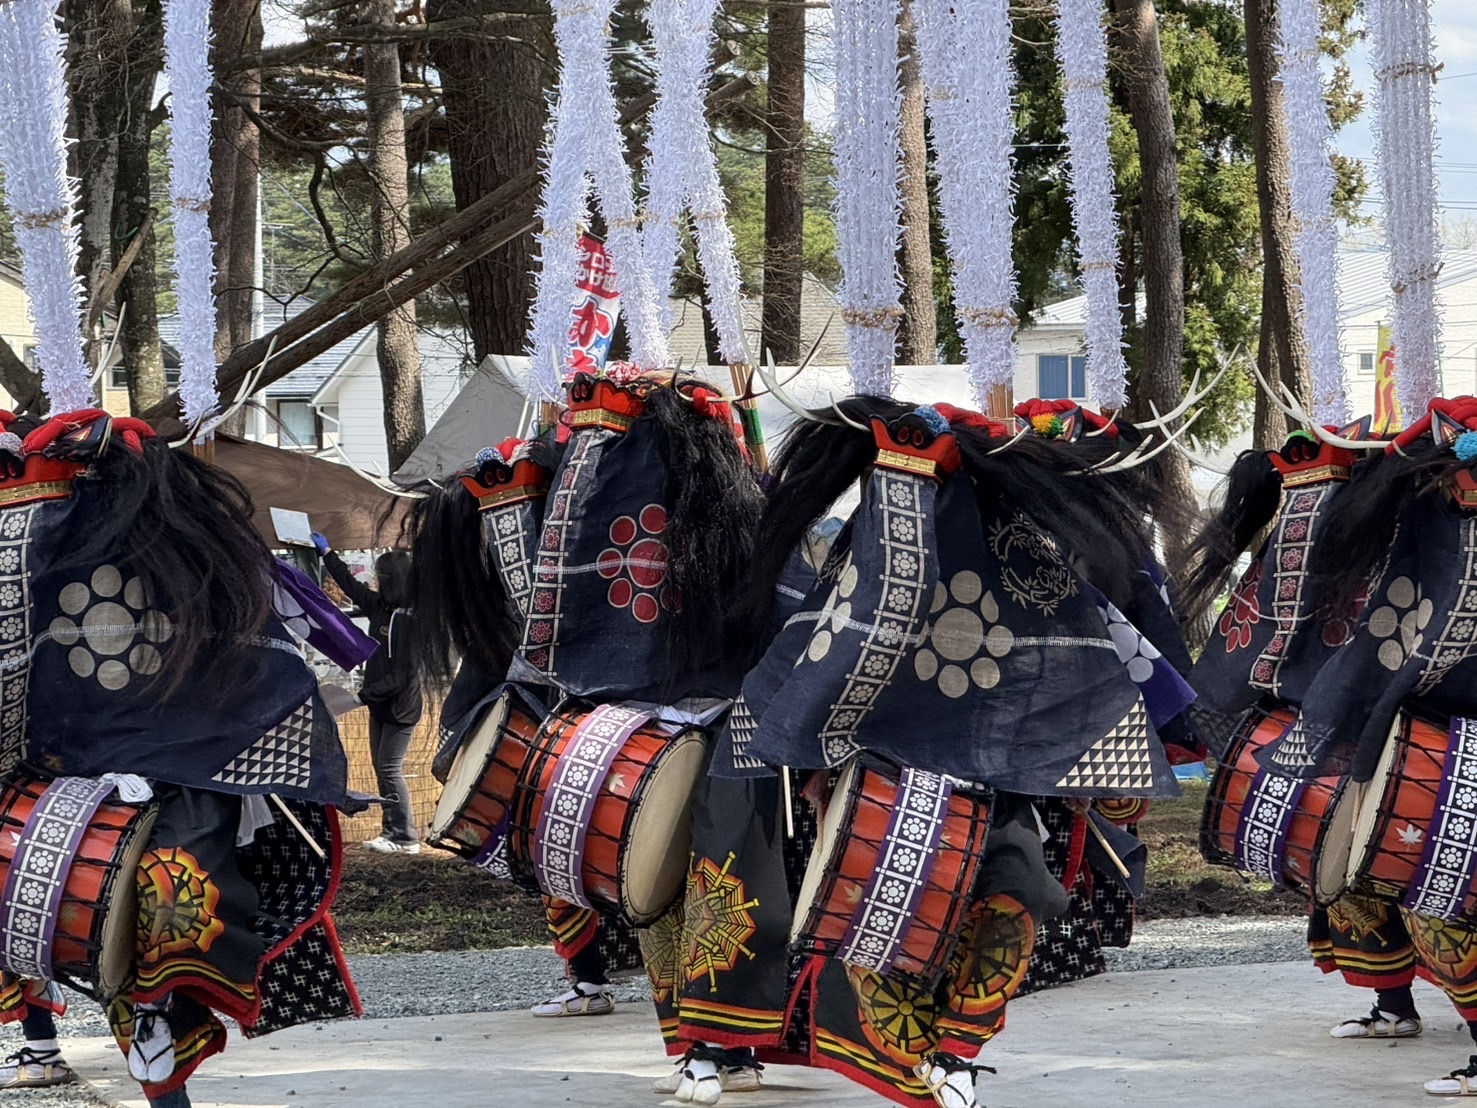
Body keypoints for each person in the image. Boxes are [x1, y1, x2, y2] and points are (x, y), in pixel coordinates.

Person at [316, 536, 424, 854]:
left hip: (401, 709)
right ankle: (391, 832)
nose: (373, 582)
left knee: (390, 768)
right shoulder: (380, 606)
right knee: (381, 767)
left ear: (391, 581)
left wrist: (362, 697)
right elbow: (350, 585)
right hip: (380, 705)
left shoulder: (412, 621)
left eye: (379, 577)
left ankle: (405, 837)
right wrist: (327, 553)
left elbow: (403, 675)